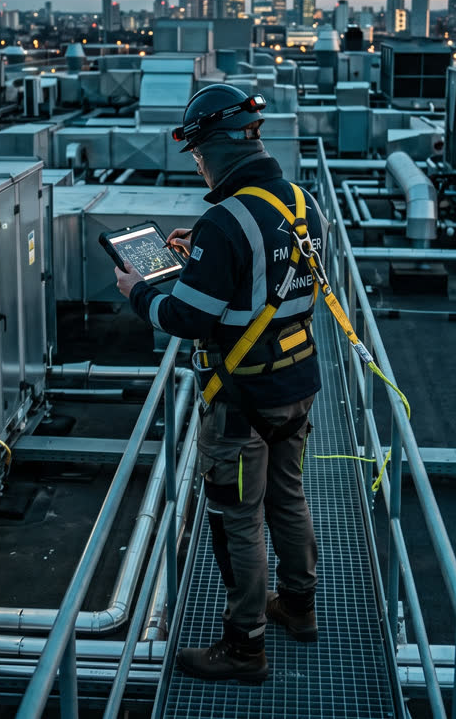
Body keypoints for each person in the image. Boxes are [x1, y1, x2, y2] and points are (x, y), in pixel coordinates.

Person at [114, 82, 324, 684]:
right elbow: (272, 280)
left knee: (237, 517)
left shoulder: (225, 220)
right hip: (296, 382)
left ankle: (244, 645)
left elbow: (186, 318)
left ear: (217, 147)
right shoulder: (300, 202)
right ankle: (300, 608)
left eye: (200, 154)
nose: (200, 165)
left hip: (240, 401)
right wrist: (198, 252)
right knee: (288, 498)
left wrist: (140, 292)